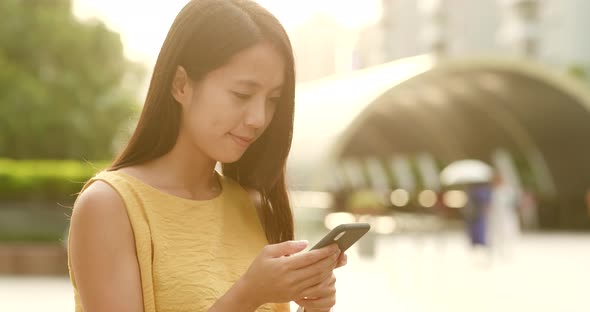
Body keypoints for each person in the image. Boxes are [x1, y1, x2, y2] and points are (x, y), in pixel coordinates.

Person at [67, 1, 346, 311]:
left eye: (273, 100)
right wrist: (247, 295)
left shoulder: (252, 206)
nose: (258, 118)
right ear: (181, 85)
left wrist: (314, 306)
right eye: (242, 94)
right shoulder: (111, 206)